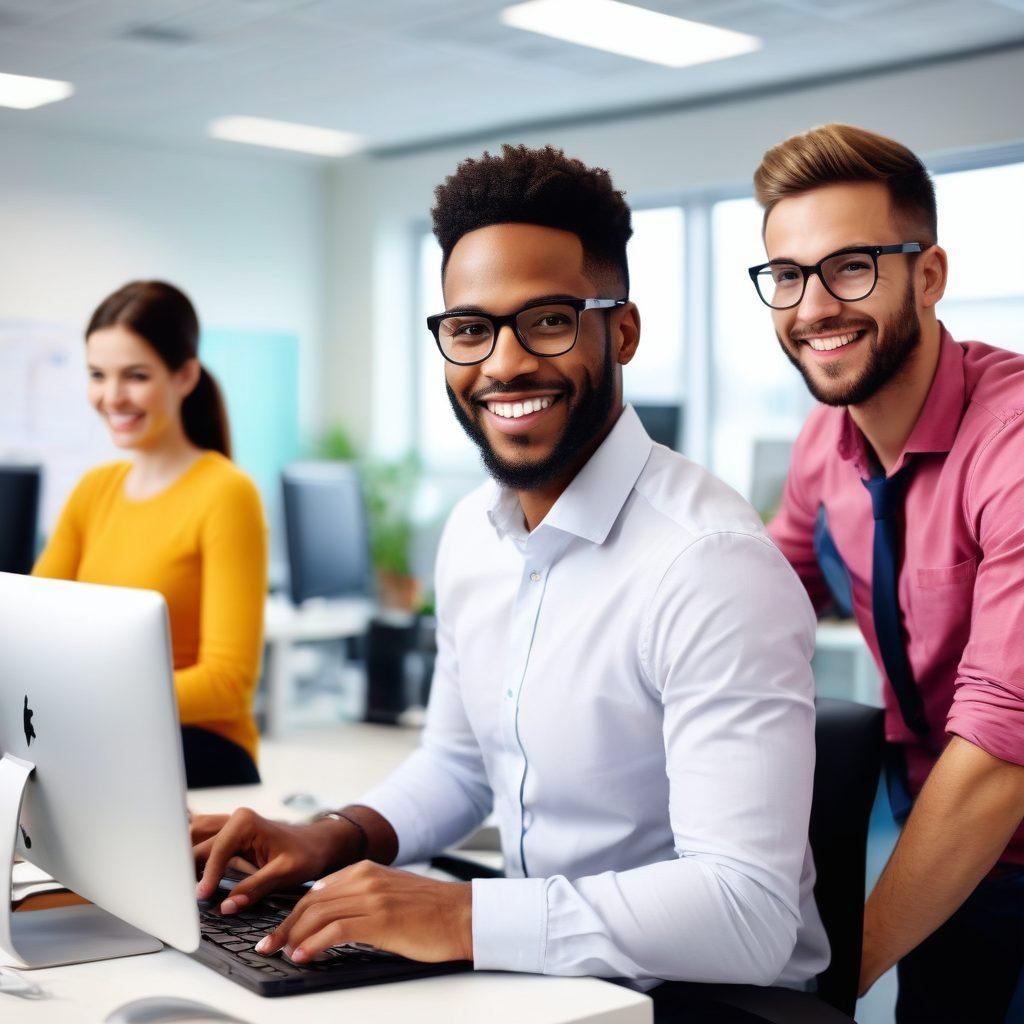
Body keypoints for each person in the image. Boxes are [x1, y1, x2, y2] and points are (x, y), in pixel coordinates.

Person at [191, 145, 828, 1015]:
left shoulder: (708, 565)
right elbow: (460, 765)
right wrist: (332, 837)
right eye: (470, 328)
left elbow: (748, 911)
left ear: (623, 331)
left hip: (695, 1001)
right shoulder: (472, 535)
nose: (502, 364)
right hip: (542, 981)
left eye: (549, 321)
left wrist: (463, 913)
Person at [754, 124, 1024, 1022]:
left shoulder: (1012, 446)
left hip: (993, 815)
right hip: (941, 842)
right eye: (788, 276)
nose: (815, 305)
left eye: (852, 267)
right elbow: (750, 615)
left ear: (930, 276)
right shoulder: (823, 448)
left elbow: (998, 754)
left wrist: (834, 980)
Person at [34, 280, 267, 788]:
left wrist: (92, 700)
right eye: (97, 375)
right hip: (102, 732)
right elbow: (31, 628)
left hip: (198, 744)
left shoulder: (226, 492)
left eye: (135, 376)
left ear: (184, 376)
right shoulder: (94, 489)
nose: (111, 396)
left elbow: (227, 684)